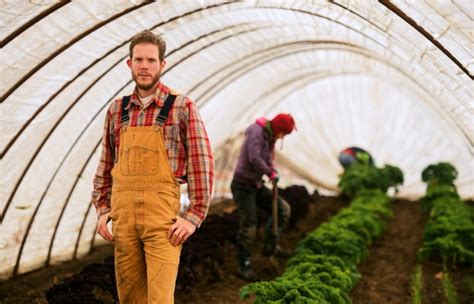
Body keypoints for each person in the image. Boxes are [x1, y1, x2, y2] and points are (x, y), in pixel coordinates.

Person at [91, 30, 214, 304]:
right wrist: (102, 210)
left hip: (163, 223)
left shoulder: (181, 107)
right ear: (129, 64)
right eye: (138, 60)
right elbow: (106, 163)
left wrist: (193, 216)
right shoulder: (117, 110)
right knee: (129, 297)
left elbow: (201, 162)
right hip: (124, 222)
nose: (144, 66)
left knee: (159, 299)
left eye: (150, 60)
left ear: (162, 64)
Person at [230, 113, 296, 281]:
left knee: (283, 209)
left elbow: (267, 159)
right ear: (278, 129)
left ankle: (271, 246)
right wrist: (269, 172)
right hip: (243, 186)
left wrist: (272, 170)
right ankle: (243, 266)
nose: (283, 137)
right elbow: (254, 157)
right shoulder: (258, 133)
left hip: (256, 184)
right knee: (250, 225)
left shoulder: (270, 136)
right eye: (284, 134)